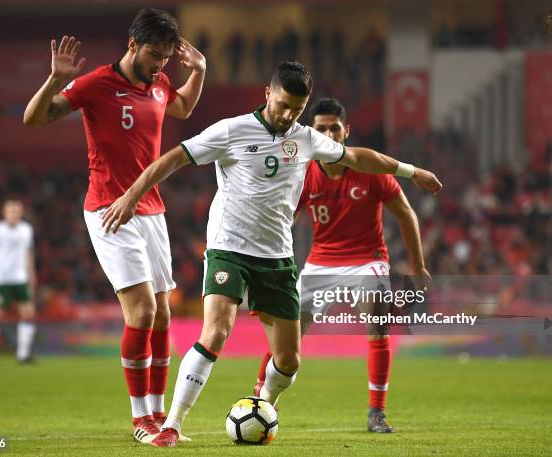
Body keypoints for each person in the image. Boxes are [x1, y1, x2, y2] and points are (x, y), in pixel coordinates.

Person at [101, 61, 442, 447]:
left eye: (296, 109)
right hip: (229, 248)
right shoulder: (231, 130)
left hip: (277, 259)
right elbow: (173, 158)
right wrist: (132, 196)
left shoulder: (307, 138)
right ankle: (173, 424)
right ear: (267, 93)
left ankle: (263, 405)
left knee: (289, 360)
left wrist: (412, 172)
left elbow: (358, 157)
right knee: (216, 331)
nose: (287, 115)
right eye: (282, 105)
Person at [23, 8, 206, 443]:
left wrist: (198, 71)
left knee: (163, 314)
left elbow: (181, 105)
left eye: (165, 56)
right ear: (132, 45)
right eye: (154, 54)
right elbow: (34, 118)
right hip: (108, 208)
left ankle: (160, 416)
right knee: (142, 311)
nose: (160, 63)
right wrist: (54, 78)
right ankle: (140, 418)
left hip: (151, 208)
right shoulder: (98, 84)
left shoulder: (159, 84)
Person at [253, 98, 431, 433]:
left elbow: (406, 213)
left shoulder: (370, 169)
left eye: (334, 127)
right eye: (320, 128)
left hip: (368, 259)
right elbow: (283, 221)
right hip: (320, 263)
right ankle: (259, 400)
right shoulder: (305, 174)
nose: (328, 133)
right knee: (286, 335)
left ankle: (376, 413)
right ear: (312, 133)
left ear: (346, 130)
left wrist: (417, 266)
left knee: (377, 321)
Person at [0, 199, 37, 364]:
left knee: (28, 314)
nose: (14, 214)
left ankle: (23, 355)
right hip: (2, 280)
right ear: (4, 213)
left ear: (21, 213)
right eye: (11, 211)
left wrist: (32, 275)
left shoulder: (26, 229)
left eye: (17, 211)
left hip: (20, 279)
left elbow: (28, 254)